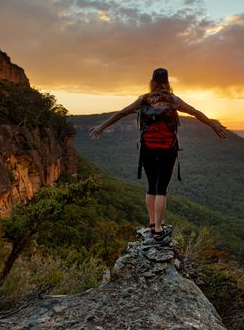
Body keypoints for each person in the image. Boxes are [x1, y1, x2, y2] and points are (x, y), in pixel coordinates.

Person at [89, 68, 227, 242]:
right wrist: (214, 126)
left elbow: (121, 113)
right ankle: (159, 231)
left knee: (151, 186)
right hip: (168, 148)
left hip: (147, 148)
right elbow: (196, 113)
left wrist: (101, 127)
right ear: (167, 82)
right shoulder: (174, 100)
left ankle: (152, 223)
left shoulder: (144, 99)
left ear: (152, 82)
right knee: (161, 189)